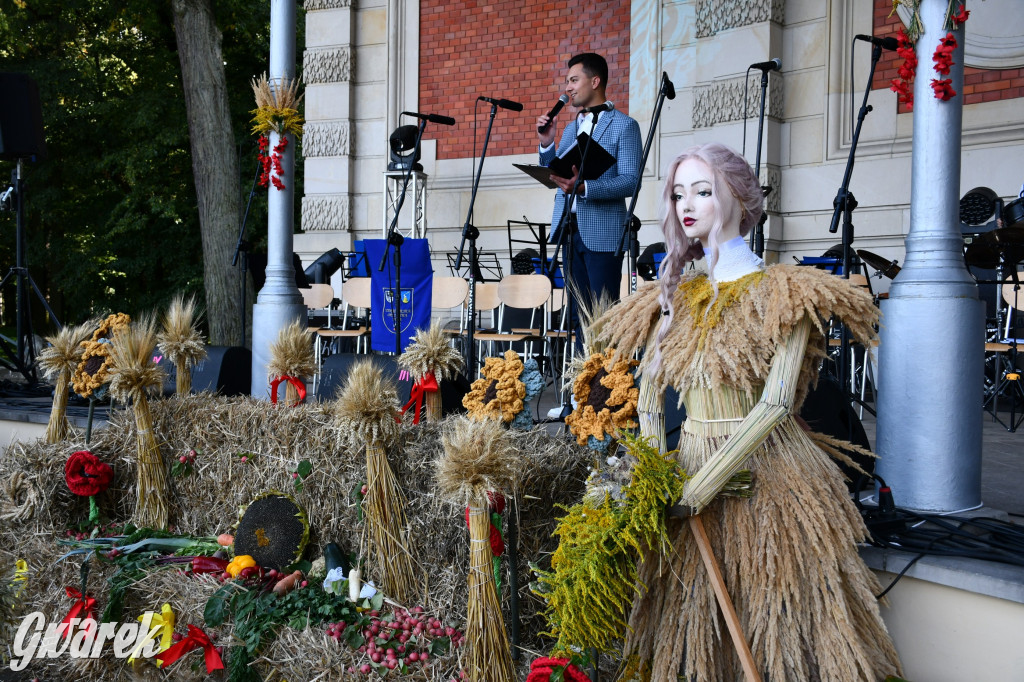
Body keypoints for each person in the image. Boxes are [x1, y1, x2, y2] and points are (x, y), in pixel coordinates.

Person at [597, 143, 902, 681]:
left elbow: (776, 404)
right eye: (677, 193)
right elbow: (647, 395)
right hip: (684, 468)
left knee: (780, 618)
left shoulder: (787, 293)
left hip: (768, 476)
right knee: (689, 624)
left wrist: (698, 489)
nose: (686, 204)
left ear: (737, 196)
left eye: (703, 190)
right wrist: (655, 475)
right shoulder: (670, 297)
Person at [537, 52, 642, 348]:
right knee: (579, 318)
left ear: (595, 81)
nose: (568, 88)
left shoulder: (624, 126)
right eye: (567, 81)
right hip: (570, 231)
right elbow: (554, 174)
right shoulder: (571, 128)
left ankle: (607, 386)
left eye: (574, 80)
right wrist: (547, 143)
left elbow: (631, 181)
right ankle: (582, 386)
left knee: (604, 316)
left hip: (603, 233)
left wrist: (584, 188)